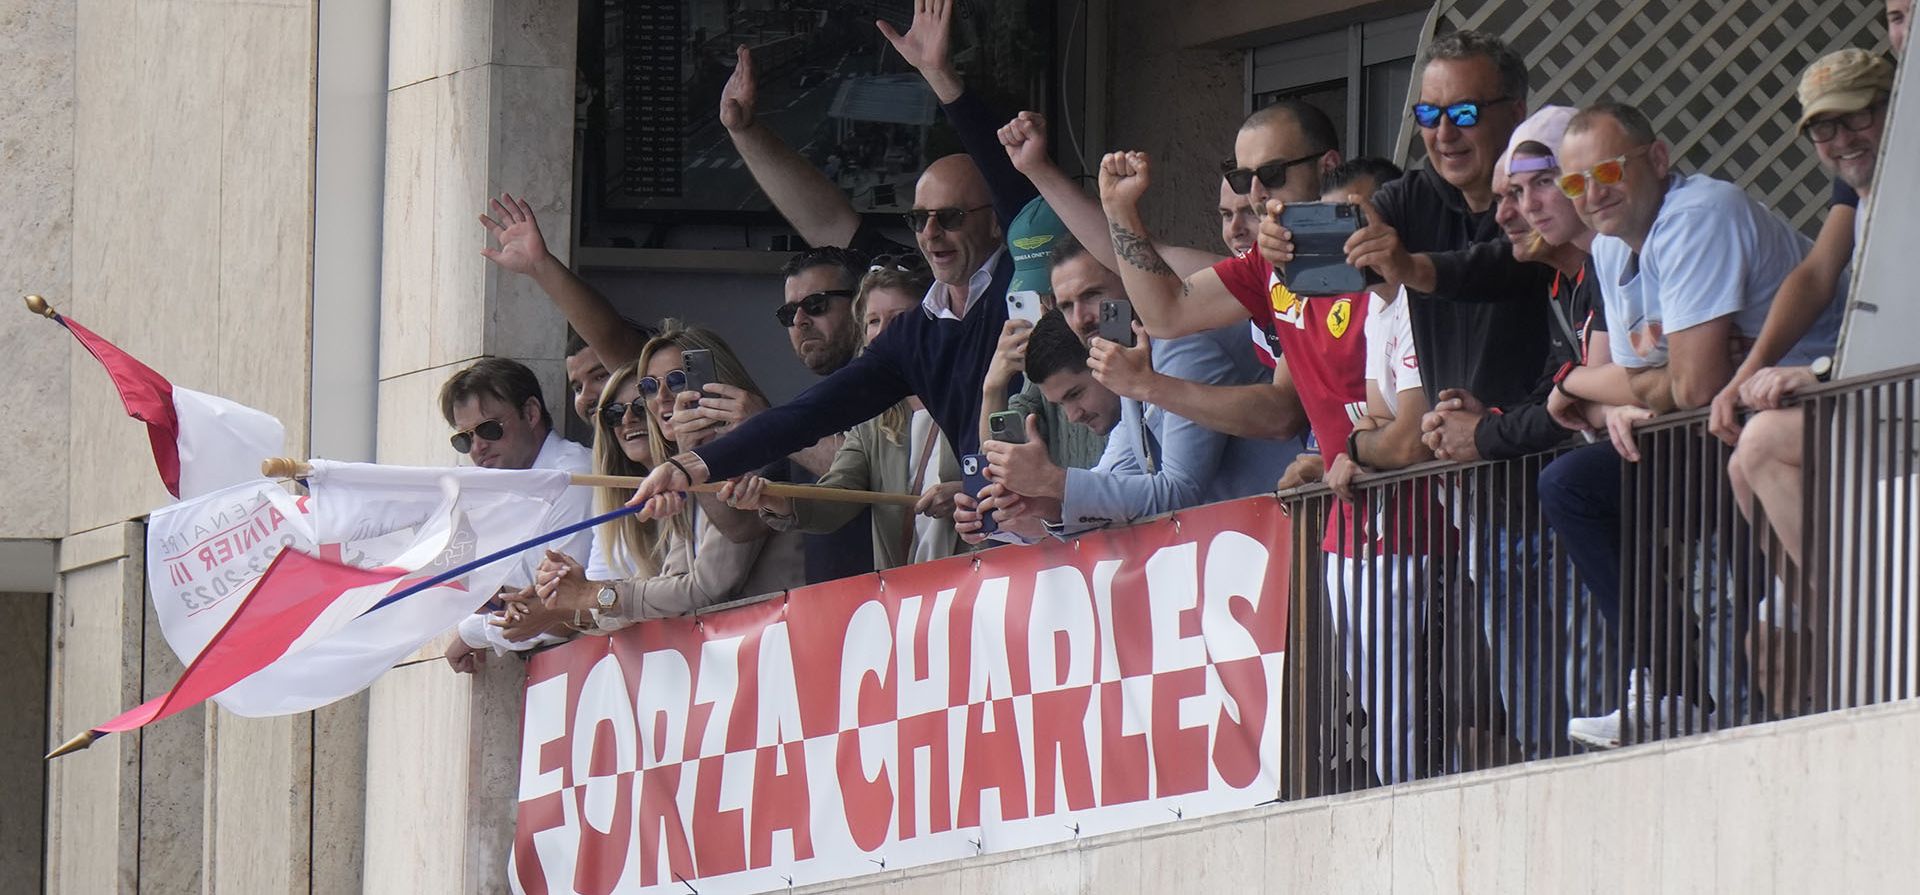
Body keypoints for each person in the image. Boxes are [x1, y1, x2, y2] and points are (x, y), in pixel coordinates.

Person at [621, 1, 1041, 511]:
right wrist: (689, 465)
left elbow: (1012, 187)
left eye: (950, 217)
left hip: (1071, 510)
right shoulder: (913, 337)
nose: (930, 234)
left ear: (996, 222)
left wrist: (941, 78)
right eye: (917, 219)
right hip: (1000, 529)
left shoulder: (1026, 276)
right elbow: (810, 413)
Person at [1539, 102, 1837, 748]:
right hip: (1720, 423)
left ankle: (1768, 721)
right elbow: (1651, 379)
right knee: (1571, 485)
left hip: (1818, 409)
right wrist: (1588, 384)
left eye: (1608, 171)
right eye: (1574, 182)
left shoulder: (1698, 214)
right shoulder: (1610, 248)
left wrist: (1641, 381)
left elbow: (1693, 386)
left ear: (1658, 158)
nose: (1592, 194)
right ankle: (1671, 691)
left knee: (1730, 463)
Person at [1718, 50, 1894, 714]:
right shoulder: (1865, 190)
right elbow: (1817, 274)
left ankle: (1879, 631)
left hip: (1897, 394)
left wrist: (1820, 372)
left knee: (1762, 444)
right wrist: (1741, 378)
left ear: (1893, 109)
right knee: (1743, 466)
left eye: (1857, 119)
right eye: (1824, 128)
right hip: (1882, 396)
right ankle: (1852, 629)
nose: (1842, 140)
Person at [1269, 31, 1555, 411]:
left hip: (1546, 434)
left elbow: (1508, 267)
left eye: (1464, 113)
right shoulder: (1412, 197)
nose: (1444, 134)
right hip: (1455, 440)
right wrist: (1286, 248)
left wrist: (1411, 268)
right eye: (1429, 115)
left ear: (1516, 113)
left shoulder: (1548, 198)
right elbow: (1332, 262)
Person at [535, 324, 805, 629]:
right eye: (649, 387)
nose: (661, 397)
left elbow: (707, 588)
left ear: (715, 384)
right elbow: (672, 582)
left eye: (676, 381)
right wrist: (587, 598)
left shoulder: (750, 454)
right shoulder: (681, 469)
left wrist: (593, 595)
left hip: (789, 639)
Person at [960, 301, 1299, 539]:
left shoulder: (1181, 347)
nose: (1073, 416)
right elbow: (1112, 489)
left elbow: (1179, 492)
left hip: (1298, 533)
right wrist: (1036, 506)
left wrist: (1053, 482)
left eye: (1075, 394)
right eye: (1066, 303)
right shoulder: (1130, 402)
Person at [720, 265, 967, 569]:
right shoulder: (873, 420)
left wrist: (967, 491)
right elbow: (839, 494)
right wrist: (773, 499)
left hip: (985, 582)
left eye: (899, 319)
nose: (884, 332)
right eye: (873, 321)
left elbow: (1010, 479)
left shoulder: (977, 395)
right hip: (910, 591)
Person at [437, 357, 595, 669]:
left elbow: (562, 613)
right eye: (465, 439)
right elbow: (512, 600)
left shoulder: (573, 478)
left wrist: (473, 632)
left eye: (488, 429)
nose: (477, 447)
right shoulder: (505, 488)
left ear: (531, 413)